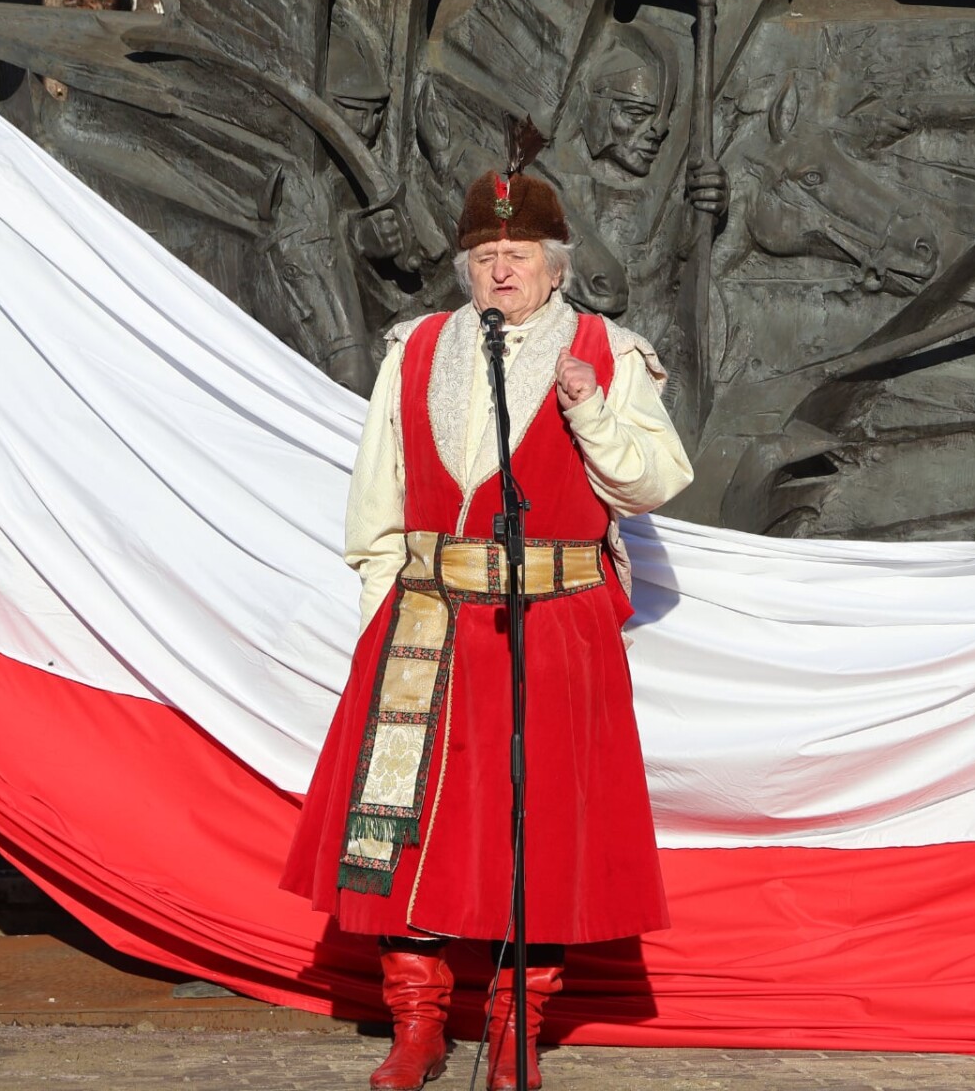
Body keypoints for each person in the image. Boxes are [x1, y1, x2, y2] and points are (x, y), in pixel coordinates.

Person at [282, 157, 695, 1090]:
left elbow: (655, 482)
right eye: (485, 254)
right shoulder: (417, 348)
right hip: (426, 617)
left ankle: (516, 1028)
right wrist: (378, 606)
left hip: (554, 620)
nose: (500, 269)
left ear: (556, 265)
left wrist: (588, 410)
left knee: (538, 828)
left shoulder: (607, 351)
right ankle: (419, 1025)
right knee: (406, 823)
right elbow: (377, 497)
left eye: (518, 253)